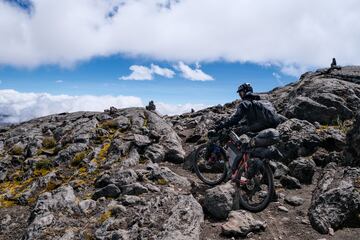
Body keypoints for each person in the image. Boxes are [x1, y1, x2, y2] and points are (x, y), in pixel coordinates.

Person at [213, 83, 285, 192]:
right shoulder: (261, 102)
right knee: (258, 155)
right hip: (268, 133)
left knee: (244, 149)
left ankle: (239, 176)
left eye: (240, 92)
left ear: (244, 92)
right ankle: (271, 191)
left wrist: (220, 126)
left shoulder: (245, 103)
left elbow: (235, 119)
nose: (240, 95)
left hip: (258, 133)